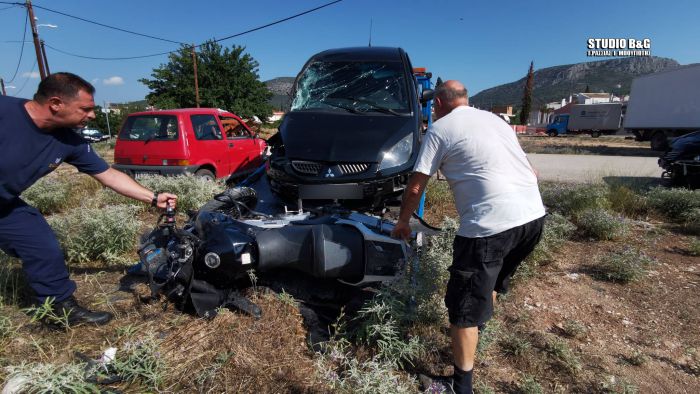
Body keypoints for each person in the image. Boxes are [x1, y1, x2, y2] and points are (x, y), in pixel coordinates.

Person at [391, 80, 545, 393]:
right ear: (467, 99)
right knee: (490, 283)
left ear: (436, 105)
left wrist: (403, 222)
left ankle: (459, 386)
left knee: (462, 310)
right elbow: (534, 174)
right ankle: (478, 330)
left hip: (489, 228)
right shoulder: (495, 120)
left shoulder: (440, 129)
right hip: (532, 219)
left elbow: (417, 186)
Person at [0, 72, 178, 328]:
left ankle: (60, 310)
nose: (92, 115)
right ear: (56, 103)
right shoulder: (5, 112)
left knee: (41, 242)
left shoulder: (69, 141)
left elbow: (108, 174)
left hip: (4, 205)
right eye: (85, 108)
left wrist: (153, 198)